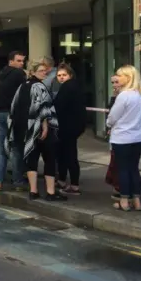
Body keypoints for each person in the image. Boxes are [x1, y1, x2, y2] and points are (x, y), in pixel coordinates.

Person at [7, 61, 65, 202]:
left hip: (25, 129)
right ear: (32, 72)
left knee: (31, 158)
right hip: (40, 129)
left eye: (45, 70)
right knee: (49, 159)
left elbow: (13, 108)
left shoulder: (22, 86)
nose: (44, 73)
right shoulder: (39, 86)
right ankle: (50, 193)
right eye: (40, 70)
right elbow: (43, 108)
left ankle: (33, 191)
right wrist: (44, 127)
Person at [106, 65, 141, 212]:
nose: (117, 78)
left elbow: (113, 117)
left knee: (123, 170)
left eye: (120, 75)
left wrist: (108, 124)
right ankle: (137, 201)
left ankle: (124, 201)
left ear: (128, 78)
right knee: (134, 169)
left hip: (122, 137)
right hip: (138, 136)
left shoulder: (124, 96)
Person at [0, 51, 26, 191]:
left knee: (1, 148)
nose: (21, 63)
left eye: (23, 61)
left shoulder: (1, 74)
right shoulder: (18, 74)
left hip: (1, 113)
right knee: (15, 148)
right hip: (13, 114)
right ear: (11, 61)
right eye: (19, 60)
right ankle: (18, 181)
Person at [54, 64, 86, 195]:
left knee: (68, 155)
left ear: (70, 75)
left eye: (64, 75)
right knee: (66, 153)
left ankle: (73, 185)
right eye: (59, 75)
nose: (61, 78)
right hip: (74, 126)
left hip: (67, 126)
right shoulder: (76, 86)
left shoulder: (67, 88)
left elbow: (58, 106)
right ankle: (65, 180)